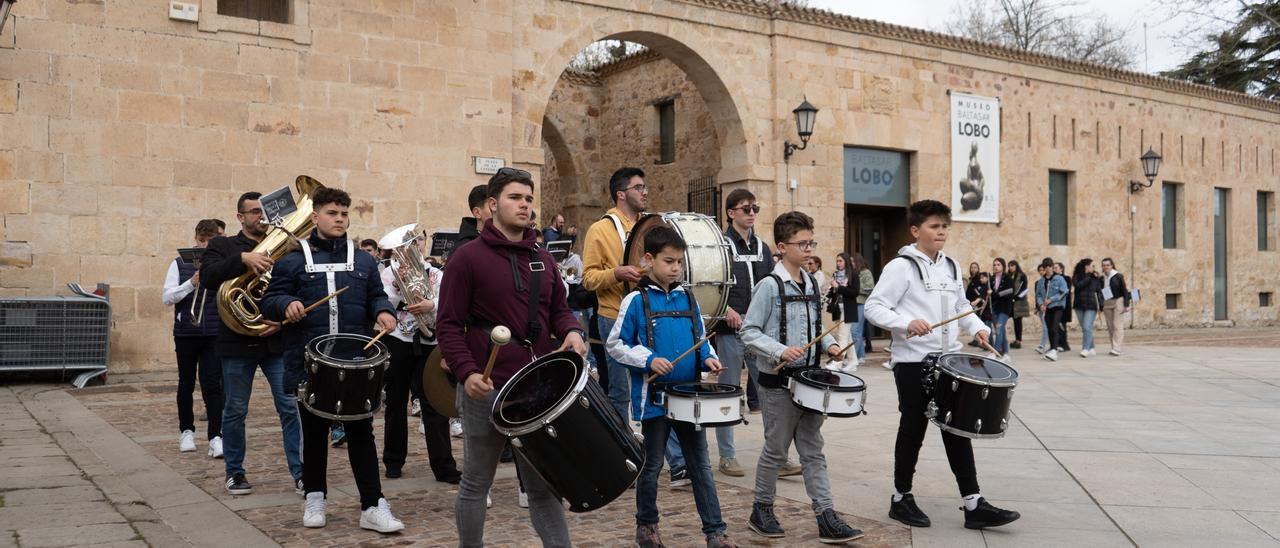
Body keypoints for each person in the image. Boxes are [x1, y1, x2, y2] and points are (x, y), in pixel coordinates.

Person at [436, 168, 587, 547]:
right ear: (492, 204)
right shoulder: (466, 258)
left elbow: (560, 310)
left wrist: (571, 330)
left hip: (537, 389)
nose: (524, 206)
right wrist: (466, 371)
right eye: (515, 198)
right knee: (476, 482)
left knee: (542, 488)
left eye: (529, 199)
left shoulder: (541, 256)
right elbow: (449, 325)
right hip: (486, 388)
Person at [865, 199, 1019, 531]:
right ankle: (900, 497)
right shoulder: (901, 266)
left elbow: (962, 305)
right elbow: (874, 308)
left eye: (944, 226)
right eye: (934, 227)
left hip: (950, 361)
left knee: (958, 428)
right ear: (915, 230)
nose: (941, 232)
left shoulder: (950, 266)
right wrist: (906, 323)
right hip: (913, 362)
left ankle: (973, 503)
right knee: (913, 429)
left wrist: (976, 327)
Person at [260, 187, 404, 533]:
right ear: (315, 217)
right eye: (331, 213)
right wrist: (285, 305)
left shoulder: (365, 260)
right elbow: (271, 299)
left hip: (355, 361)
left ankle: (372, 505)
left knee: (361, 433)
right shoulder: (293, 258)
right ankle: (315, 497)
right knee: (314, 434)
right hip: (310, 361)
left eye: (343, 213)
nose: (339, 219)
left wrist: (383, 312)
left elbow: (376, 297)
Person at [606, 226, 736, 548]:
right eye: (669, 261)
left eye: (679, 262)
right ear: (649, 260)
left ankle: (715, 533)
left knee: (700, 466)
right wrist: (649, 360)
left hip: (689, 398)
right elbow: (616, 344)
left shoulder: (688, 297)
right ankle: (647, 527)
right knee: (651, 466)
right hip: (654, 399)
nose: (676, 268)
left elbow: (701, 340)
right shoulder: (635, 300)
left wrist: (709, 359)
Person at [741, 211, 862, 544]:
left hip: (810, 382)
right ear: (782, 247)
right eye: (803, 243)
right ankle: (761, 509)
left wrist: (832, 345)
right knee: (776, 452)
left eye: (812, 242)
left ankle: (826, 516)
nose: (809, 249)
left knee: (813, 451)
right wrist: (780, 350)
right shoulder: (768, 286)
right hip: (777, 384)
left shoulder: (811, 282)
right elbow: (748, 332)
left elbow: (816, 327)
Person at [582, 167, 689, 487]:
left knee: (656, 383)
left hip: (649, 314)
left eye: (645, 187)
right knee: (622, 393)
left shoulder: (650, 228)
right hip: (614, 314)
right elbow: (588, 279)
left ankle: (675, 462)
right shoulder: (600, 230)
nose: (645, 192)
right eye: (638, 187)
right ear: (621, 193)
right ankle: (623, 459)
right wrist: (617, 273)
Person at [199, 193, 302, 496]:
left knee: (289, 408)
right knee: (235, 410)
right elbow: (207, 277)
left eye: (262, 211)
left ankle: (300, 472)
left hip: (275, 340)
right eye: (253, 212)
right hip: (236, 342)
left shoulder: (285, 246)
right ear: (240, 217)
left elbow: (297, 289)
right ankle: (234, 472)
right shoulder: (223, 245)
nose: (260, 216)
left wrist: (282, 321)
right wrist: (242, 259)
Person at [378, 233, 462, 483]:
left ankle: (444, 465)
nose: (413, 246)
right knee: (395, 402)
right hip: (399, 340)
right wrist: (397, 286)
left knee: (434, 404)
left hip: (430, 341)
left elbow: (449, 301)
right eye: (406, 244)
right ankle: (393, 460)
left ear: (423, 243)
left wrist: (431, 306)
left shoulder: (437, 273)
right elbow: (384, 303)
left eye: (417, 241)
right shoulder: (388, 273)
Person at [712, 189, 784, 478]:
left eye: (755, 208)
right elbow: (713, 284)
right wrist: (726, 307)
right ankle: (727, 456)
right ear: (731, 213)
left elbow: (770, 284)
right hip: (729, 331)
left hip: (759, 333)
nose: (751, 213)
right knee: (728, 393)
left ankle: (776, 456)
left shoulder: (763, 247)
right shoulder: (720, 245)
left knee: (769, 393)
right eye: (745, 208)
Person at [163, 219, 225, 457]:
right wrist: (191, 283)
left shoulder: (221, 264)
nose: (206, 246)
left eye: (212, 242)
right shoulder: (179, 264)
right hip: (187, 332)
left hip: (213, 333)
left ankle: (215, 436)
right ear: (196, 240)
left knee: (212, 385)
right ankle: (186, 431)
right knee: (186, 383)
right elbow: (167, 298)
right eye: (203, 242)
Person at [826, 252, 859, 372]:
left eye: (840, 261)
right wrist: (830, 290)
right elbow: (834, 292)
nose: (838, 263)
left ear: (846, 261)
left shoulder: (853, 275)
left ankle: (838, 362)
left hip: (848, 309)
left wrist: (838, 287)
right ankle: (853, 362)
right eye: (837, 261)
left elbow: (855, 292)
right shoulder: (835, 274)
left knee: (842, 336)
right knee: (847, 337)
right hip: (837, 309)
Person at [1035, 258, 1069, 361]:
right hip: (1047, 308)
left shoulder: (1059, 278)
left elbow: (1064, 292)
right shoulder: (1041, 281)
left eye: (1050, 267)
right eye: (1046, 267)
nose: (1048, 269)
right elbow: (1039, 295)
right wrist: (1040, 304)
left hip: (1057, 306)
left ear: (1052, 267)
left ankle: (1054, 350)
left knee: (1054, 327)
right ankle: (1052, 348)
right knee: (1049, 329)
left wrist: (1051, 299)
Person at [1072, 258, 1104, 358]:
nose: (1094, 268)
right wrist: (1089, 276)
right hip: (1079, 305)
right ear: (1086, 266)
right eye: (1092, 266)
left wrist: (1101, 305)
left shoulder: (1095, 278)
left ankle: (1085, 348)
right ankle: (1092, 347)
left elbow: (1099, 291)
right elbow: (1078, 286)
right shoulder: (1077, 276)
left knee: (1086, 327)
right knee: (1086, 328)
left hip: (1091, 306)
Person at [1099, 258, 1131, 355]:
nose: (1106, 267)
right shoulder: (1101, 277)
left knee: (1117, 325)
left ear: (1112, 265)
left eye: (1108, 265)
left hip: (1118, 301)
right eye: (1104, 265)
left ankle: (1117, 348)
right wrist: (1101, 306)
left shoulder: (1118, 276)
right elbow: (1099, 292)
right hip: (1107, 302)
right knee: (1110, 326)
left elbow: (1124, 291)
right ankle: (1114, 347)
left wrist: (1126, 305)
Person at [988, 258, 1015, 360]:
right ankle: (1006, 353)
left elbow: (1009, 291)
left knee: (999, 329)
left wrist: (994, 294)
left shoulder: (1008, 278)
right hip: (995, 308)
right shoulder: (991, 279)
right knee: (1001, 330)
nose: (996, 266)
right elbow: (988, 293)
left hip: (1005, 308)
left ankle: (995, 352)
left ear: (1003, 266)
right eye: (994, 264)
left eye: (998, 264)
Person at [850, 253, 874, 366]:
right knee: (855, 332)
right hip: (852, 304)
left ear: (858, 262)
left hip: (861, 303)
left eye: (853, 262)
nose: (851, 264)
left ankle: (853, 357)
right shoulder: (852, 273)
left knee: (855, 331)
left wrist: (854, 288)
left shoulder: (866, 272)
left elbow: (870, 288)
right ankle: (860, 356)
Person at [1007, 260, 1030, 349]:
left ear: (1016, 266)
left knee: (1017, 322)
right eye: (1009, 266)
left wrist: (1016, 297)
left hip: (1019, 302)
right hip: (1010, 302)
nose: (1011, 267)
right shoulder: (1008, 276)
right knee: (1003, 319)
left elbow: (1024, 289)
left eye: (1012, 265)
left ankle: (1018, 341)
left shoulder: (1022, 276)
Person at [1055, 261, 1072, 352]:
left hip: (1064, 306)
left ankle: (1064, 344)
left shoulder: (1067, 278)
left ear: (1061, 269)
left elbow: (1065, 291)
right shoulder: (1053, 279)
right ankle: (1057, 344)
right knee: (1055, 326)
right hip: (1055, 305)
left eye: (1056, 268)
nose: (1054, 269)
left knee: (1062, 326)